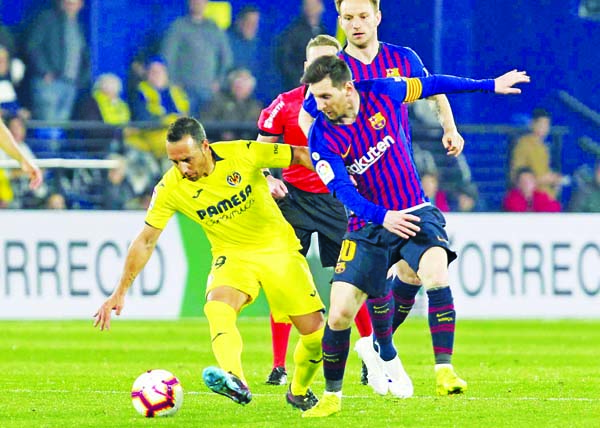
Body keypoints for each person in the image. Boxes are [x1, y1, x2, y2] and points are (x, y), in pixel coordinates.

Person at [299, 55, 529, 417]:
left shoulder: (384, 92)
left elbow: (434, 84)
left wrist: (488, 85)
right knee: (341, 313)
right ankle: (332, 396)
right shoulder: (321, 137)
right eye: (316, 97)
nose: (319, 105)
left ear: (347, 88)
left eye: (325, 97)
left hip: (413, 210)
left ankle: (444, 370)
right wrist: (382, 216)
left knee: (434, 271)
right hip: (367, 225)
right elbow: (343, 191)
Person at [94, 117, 326, 411]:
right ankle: (235, 379)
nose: (182, 169)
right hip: (232, 255)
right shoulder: (170, 187)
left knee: (316, 334)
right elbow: (145, 240)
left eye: (187, 159)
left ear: (205, 147)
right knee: (217, 307)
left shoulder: (242, 152)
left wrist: (342, 181)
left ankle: (299, 391)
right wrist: (120, 291)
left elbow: (301, 154)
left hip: (277, 250)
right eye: (174, 161)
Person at [298, 0, 468, 400]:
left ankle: (381, 346)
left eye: (361, 16)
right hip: (362, 202)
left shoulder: (400, 59)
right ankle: (379, 350)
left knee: (413, 275)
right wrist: (326, 153)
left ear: (377, 16)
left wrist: (450, 128)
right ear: (339, 21)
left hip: (401, 189)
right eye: (346, 17)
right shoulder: (334, 70)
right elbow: (309, 116)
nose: (355, 24)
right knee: (368, 289)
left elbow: (433, 89)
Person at [257, 34, 375, 388]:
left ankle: (372, 358)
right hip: (293, 199)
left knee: (354, 281)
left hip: (337, 202)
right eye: (316, 64)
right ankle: (279, 366)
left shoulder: (355, 104)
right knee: (282, 279)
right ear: (306, 69)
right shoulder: (285, 104)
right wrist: (267, 179)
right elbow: (259, 153)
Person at [161, 0, 233, 113]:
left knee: (208, 127)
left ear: (206, 4)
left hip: (209, 91)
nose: (197, 3)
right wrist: (173, 82)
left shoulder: (214, 28)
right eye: (194, 1)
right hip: (184, 90)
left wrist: (220, 81)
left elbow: (226, 58)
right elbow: (167, 56)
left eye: (201, 1)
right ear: (189, 3)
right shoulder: (178, 27)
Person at [26, 0, 90, 121]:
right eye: (67, 2)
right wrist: (44, 71)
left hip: (70, 84)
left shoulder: (78, 25)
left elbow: (83, 55)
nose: (70, 6)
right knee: (48, 125)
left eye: (73, 3)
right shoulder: (47, 19)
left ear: (80, 5)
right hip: (49, 82)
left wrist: (82, 78)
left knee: (61, 126)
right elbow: (32, 46)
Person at [275, 0, 329, 91]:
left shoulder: (324, 33)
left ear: (321, 7)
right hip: (299, 87)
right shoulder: (292, 33)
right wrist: (300, 81)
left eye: (314, 5)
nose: (311, 8)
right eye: (308, 5)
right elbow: (284, 60)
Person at [510, 108, 564, 198]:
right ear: (532, 124)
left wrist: (554, 179)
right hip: (531, 199)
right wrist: (542, 179)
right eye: (541, 124)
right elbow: (515, 176)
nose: (544, 128)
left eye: (547, 125)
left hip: (546, 196)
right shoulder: (523, 144)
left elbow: (544, 171)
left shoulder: (544, 147)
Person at [200, 68, 263, 140]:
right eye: (238, 82)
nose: (240, 86)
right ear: (231, 84)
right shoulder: (217, 101)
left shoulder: (256, 106)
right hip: (221, 145)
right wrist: (221, 133)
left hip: (247, 146)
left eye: (245, 83)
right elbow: (205, 125)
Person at [0, 117, 42, 190]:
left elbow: (2, 136)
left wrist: (24, 161)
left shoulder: (24, 147)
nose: (16, 130)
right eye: (13, 127)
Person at [227, 6, 261, 78]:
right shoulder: (224, 39)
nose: (253, 26)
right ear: (238, 22)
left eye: (255, 23)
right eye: (249, 22)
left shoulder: (256, 43)